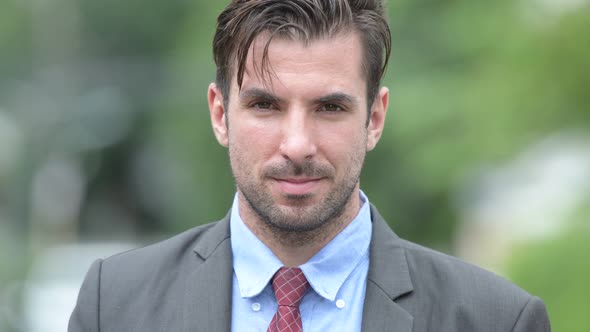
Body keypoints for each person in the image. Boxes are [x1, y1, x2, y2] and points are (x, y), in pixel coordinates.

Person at [68, 0, 551, 331]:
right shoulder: (115, 304)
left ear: (375, 118)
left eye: (330, 108)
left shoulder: (495, 320)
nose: (297, 145)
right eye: (265, 106)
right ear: (220, 114)